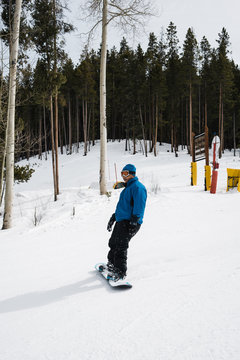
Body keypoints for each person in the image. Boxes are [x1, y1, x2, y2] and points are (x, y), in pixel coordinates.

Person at [106, 164, 147, 280]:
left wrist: (134, 222)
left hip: (130, 222)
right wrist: (114, 217)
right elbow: (123, 207)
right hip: (121, 221)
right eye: (122, 174)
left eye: (125, 173)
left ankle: (120, 271)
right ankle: (112, 264)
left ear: (132, 173)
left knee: (121, 246)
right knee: (113, 242)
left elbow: (139, 206)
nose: (123, 176)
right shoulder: (127, 188)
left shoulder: (138, 187)